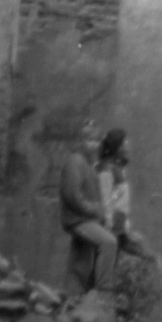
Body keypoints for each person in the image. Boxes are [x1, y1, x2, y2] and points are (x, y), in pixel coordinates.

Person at [60, 118, 118, 296]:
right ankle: (104, 290)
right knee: (109, 242)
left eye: (96, 141)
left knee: (82, 262)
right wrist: (93, 209)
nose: (93, 145)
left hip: (85, 218)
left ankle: (74, 295)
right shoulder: (75, 161)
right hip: (78, 219)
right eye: (89, 140)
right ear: (80, 141)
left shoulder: (87, 164)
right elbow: (72, 196)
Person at [95, 128, 160, 267]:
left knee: (147, 256)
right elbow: (106, 201)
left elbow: (120, 201)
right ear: (117, 148)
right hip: (112, 230)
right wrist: (110, 229)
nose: (128, 147)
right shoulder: (106, 170)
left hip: (120, 229)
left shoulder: (118, 168)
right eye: (125, 145)